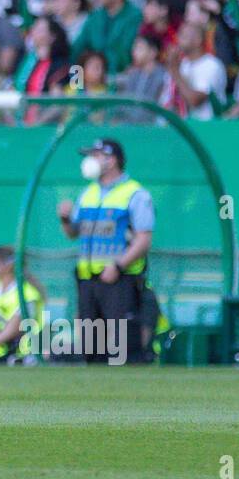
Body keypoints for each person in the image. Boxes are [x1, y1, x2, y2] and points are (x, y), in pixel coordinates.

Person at [57, 138, 153, 363]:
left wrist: (119, 265)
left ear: (112, 160)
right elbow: (74, 233)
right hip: (88, 278)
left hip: (119, 279)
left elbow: (143, 239)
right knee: (90, 348)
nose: (91, 161)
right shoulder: (88, 193)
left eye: (96, 155)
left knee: (124, 345)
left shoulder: (135, 194)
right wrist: (64, 219)